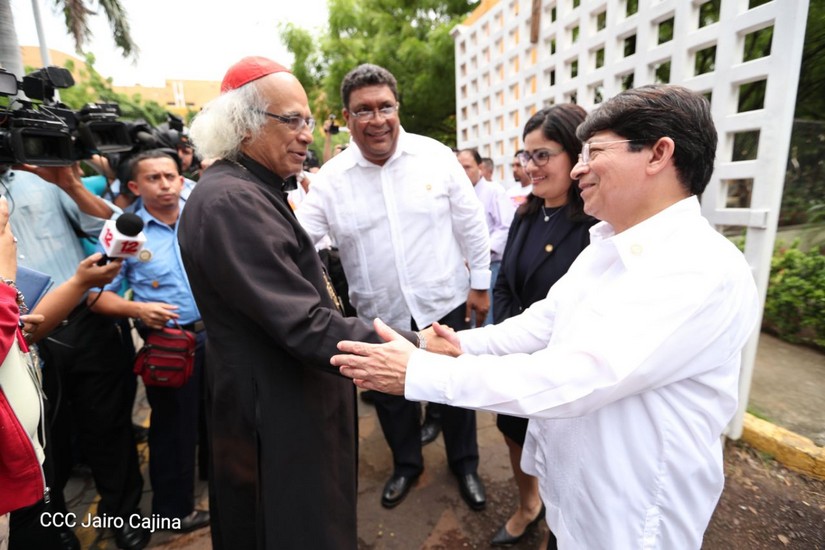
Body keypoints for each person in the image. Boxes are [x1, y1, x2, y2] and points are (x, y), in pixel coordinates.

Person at [332, 84, 761, 549]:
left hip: (630, 525)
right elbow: (542, 323)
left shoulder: (701, 268)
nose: (578, 168)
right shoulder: (606, 248)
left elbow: (577, 376)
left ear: (658, 154)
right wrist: (451, 345)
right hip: (574, 505)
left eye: (595, 152)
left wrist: (422, 373)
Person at [176, 56, 419, 550]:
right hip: (277, 409)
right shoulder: (233, 201)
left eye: (308, 121)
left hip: (286, 393)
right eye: (291, 120)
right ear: (244, 125)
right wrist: (413, 344)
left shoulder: (249, 187)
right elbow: (304, 323)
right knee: (294, 526)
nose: (307, 135)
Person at [297, 63, 491, 512]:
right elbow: (300, 240)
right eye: (363, 110)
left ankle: (465, 464)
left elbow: (471, 222)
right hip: (379, 317)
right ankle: (406, 464)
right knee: (391, 398)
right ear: (347, 118)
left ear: (397, 107)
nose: (377, 119)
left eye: (385, 106)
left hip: (443, 304)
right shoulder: (331, 180)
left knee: (456, 390)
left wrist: (480, 284)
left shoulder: (435, 156)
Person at [1, 164, 149, 550]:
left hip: (82, 323)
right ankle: (56, 526)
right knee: (44, 443)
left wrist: (70, 183)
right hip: (13, 342)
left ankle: (125, 515)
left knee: (109, 426)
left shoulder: (43, 175)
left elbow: (115, 229)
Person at [87, 151, 210, 533]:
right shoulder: (127, 232)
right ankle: (174, 511)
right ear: (135, 186)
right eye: (153, 178)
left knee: (220, 416)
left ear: (181, 179)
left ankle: (217, 477)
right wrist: (137, 309)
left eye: (170, 176)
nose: (165, 185)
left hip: (220, 334)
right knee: (173, 430)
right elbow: (95, 296)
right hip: (171, 343)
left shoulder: (202, 212)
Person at [491, 104, 595, 547]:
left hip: (560, 367)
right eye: (526, 155)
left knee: (560, 452)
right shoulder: (526, 214)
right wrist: (507, 337)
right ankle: (528, 504)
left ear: (575, 154)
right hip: (516, 355)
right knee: (514, 433)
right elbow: (503, 282)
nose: (530, 167)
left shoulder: (595, 226)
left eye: (542, 155)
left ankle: (558, 521)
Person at [456, 148, 514, 326]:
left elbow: (505, 227)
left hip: (490, 265)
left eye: (467, 167)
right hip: (462, 269)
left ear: (480, 167)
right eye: (459, 168)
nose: (462, 172)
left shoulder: (494, 191)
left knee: (485, 320)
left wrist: (481, 253)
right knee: (467, 321)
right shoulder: (457, 194)